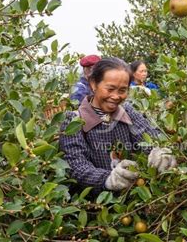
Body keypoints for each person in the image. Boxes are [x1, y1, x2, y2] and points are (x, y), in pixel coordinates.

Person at [59, 57, 176, 193]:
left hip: (133, 198)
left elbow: (149, 136)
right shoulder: (74, 121)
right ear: (93, 84)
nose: (116, 96)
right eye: (110, 89)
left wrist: (160, 150)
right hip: (98, 207)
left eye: (122, 90)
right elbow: (76, 166)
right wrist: (107, 179)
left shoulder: (127, 110)